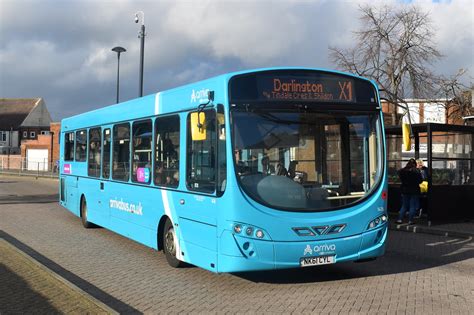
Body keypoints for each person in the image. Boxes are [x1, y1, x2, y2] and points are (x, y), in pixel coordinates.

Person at [396, 159, 423, 224]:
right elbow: (420, 181)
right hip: (414, 190)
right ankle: (410, 220)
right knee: (412, 206)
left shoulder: (402, 171)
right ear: (415, 164)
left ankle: (399, 219)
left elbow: (399, 176)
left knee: (404, 205)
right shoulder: (417, 171)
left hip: (405, 190)